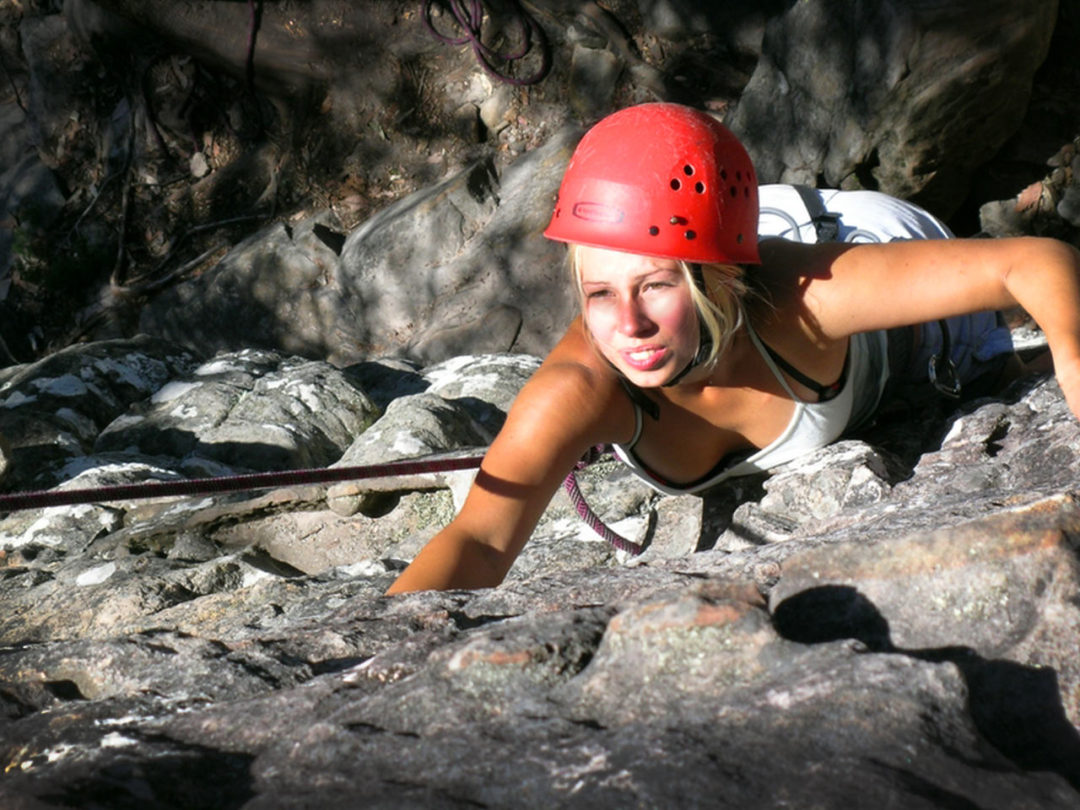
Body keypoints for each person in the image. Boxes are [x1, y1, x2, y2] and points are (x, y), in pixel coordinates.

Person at [386, 102, 1080, 594]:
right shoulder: (581, 384)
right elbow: (479, 540)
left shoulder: (803, 301)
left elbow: (1035, 263)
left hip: (860, 249)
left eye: (654, 287)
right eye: (599, 294)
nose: (627, 325)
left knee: (994, 348)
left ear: (716, 282)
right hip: (716, 225)